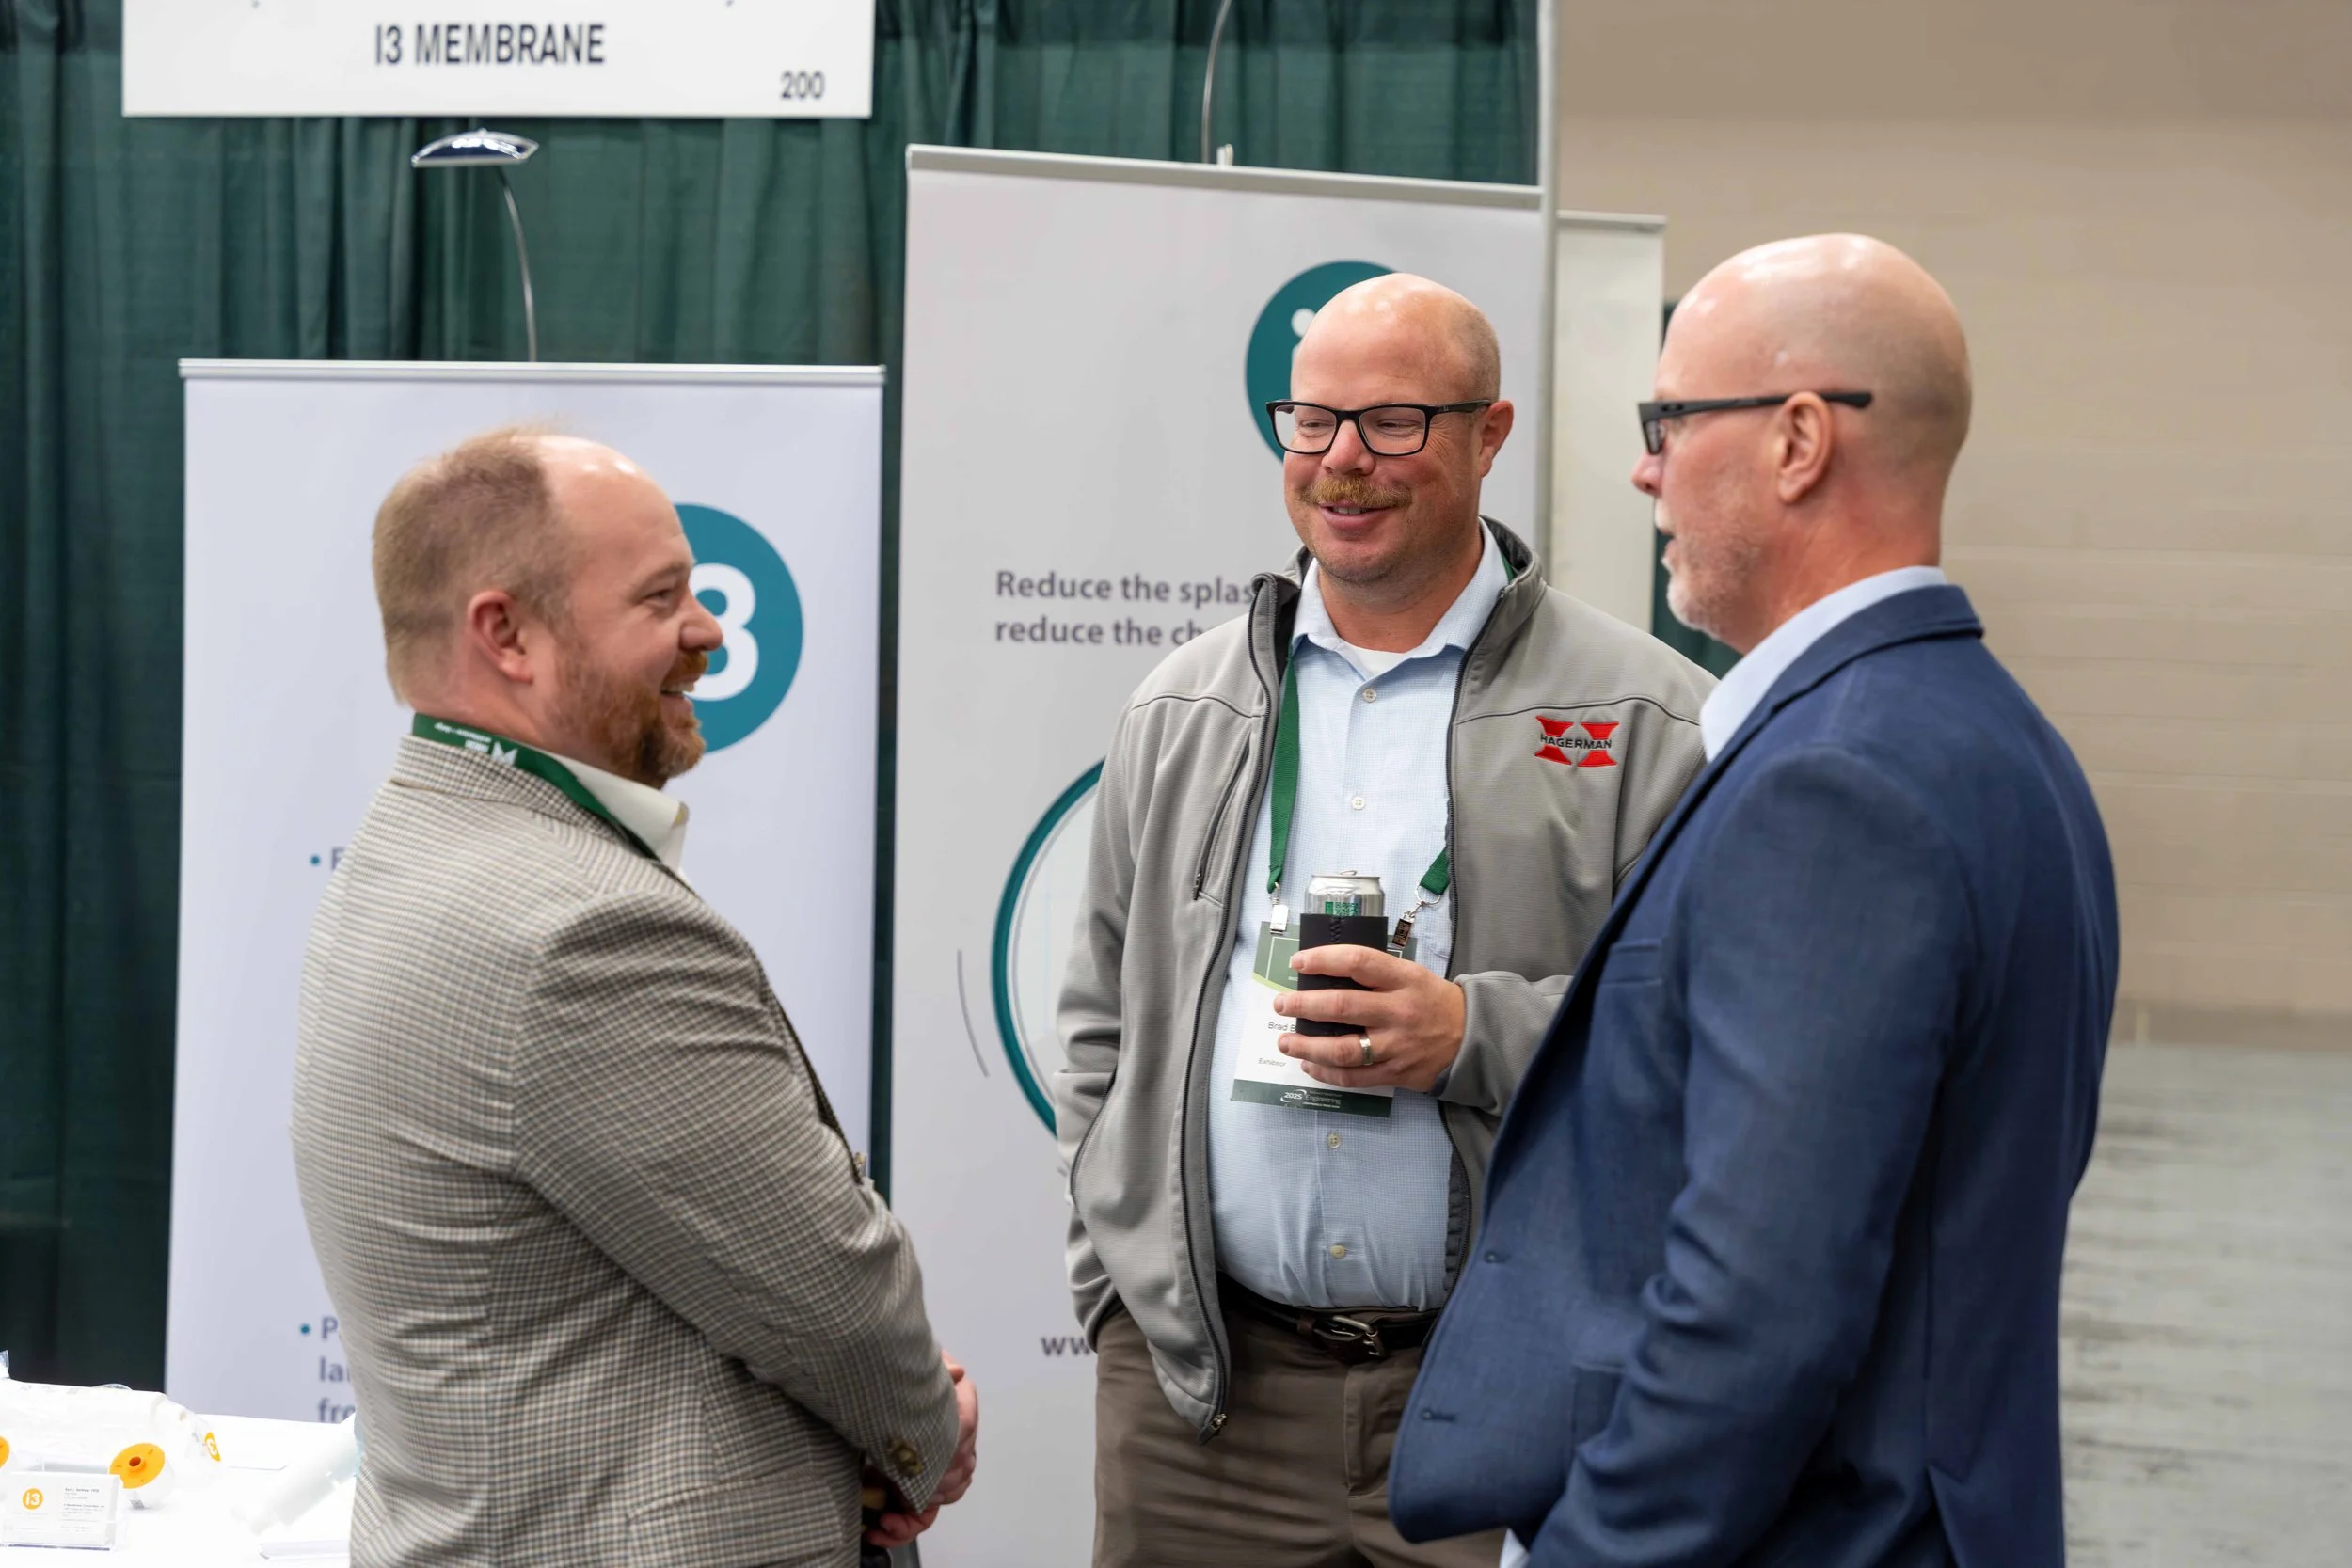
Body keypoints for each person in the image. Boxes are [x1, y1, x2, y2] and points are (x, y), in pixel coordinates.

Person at [1389, 235, 2119, 1567]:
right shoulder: (1999, 745)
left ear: (1797, 441)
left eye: (1668, 419)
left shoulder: (1836, 787)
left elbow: (1755, 1307)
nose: (1643, 465)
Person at [1052, 275, 1714, 1568]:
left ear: (1490, 433)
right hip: (1207, 1412)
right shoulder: (1185, 707)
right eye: (1312, 422)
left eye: (1396, 422)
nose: (1344, 462)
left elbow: (1701, 1029)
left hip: (1497, 1396)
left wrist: (1476, 1027)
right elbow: (1098, 1024)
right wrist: (1120, 1291)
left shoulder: (1651, 719)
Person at [291, 429, 977, 1567]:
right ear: (504, 632)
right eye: (662, 597)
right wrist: (923, 1428)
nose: (709, 631)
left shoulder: (404, 843)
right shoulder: (579, 929)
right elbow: (826, 1291)